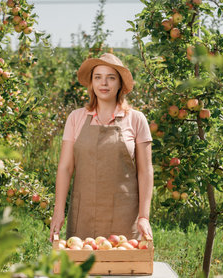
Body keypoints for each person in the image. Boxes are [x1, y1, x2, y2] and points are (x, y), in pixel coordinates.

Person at [49, 53, 154, 242]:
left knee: (123, 266)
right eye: (98, 77)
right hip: (84, 215)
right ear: (91, 83)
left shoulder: (136, 120)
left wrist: (144, 216)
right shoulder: (76, 118)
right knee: (81, 269)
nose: (103, 83)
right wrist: (58, 211)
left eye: (111, 78)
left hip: (125, 215)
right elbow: (65, 168)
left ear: (120, 83)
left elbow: (145, 171)